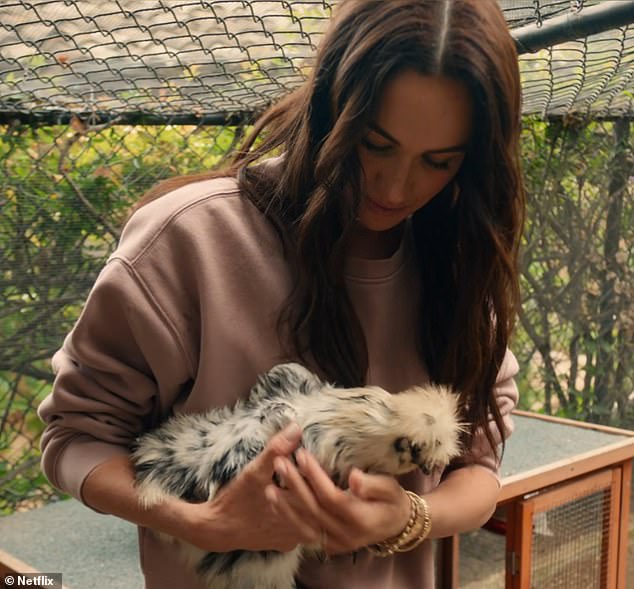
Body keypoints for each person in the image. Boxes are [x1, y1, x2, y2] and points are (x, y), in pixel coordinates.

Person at [38, 0, 524, 587]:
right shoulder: (191, 241)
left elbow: (478, 471)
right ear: (329, 109)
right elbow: (76, 439)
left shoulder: (461, 266)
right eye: (374, 144)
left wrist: (409, 517)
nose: (397, 188)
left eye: (438, 162)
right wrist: (199, 521)